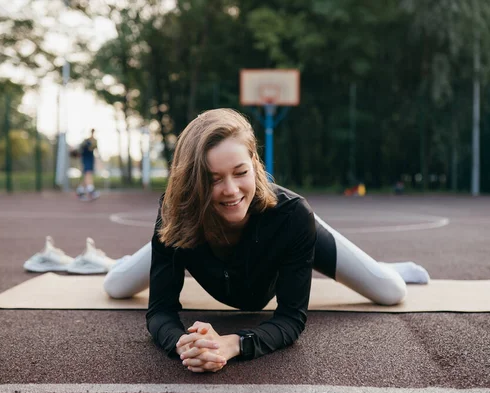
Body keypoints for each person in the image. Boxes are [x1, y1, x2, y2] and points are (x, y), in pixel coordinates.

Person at [103, 108, 429, 373]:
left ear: (255, 166)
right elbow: (160, 312)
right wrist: (182, 344)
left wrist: (234, 344)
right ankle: (126, 257)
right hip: (195, 221)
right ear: (192, 182)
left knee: (391, 291)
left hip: (288, 227)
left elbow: (290, 319)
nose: (230, 189)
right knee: (116, 286)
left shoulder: (292, 219)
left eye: (240, 172)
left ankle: (374, 266)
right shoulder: (176, 211)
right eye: (213, 179)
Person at [76, 128, 100, 201]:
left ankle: (80, 190)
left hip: (90, 158)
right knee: (88, 173)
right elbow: (80, 150)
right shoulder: (85, 141)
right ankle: (91, 190)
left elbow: (95, 149)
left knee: (87, 175)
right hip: (85, 159)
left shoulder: (95, 141)